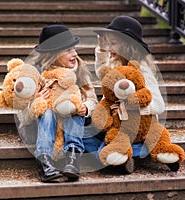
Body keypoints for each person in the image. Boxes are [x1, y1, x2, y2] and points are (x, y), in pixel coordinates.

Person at [83, 15, 166, 161]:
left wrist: (127, 107)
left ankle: (136, 152)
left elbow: (159, 105)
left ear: (128, 44)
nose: (109, 48)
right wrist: (101, 49)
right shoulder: (116, 63)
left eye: (113, 44)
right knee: (82, 137)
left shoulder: (142, 69)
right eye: (108, 44)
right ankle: (123, 154)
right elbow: (103, 73)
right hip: (116, 125)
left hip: (138, 127)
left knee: (103, 150)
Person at [31, 24, 98, 182]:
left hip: (70, 121)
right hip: (47, 124)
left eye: (74, 49)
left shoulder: (79, 70)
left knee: (73, 109)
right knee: (47, 112)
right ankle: (45, 160)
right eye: (68, 50)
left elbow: (92, 98)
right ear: (53, 54)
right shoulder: (38, 74)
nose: (74, 54)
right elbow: (21, 108)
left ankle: (72, 158)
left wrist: (86, 108)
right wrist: (36, 99)